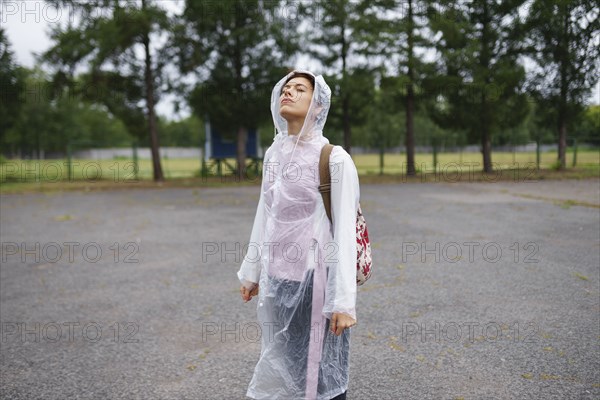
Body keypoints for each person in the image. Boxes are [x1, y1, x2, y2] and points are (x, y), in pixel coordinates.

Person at [237, 69, 360, 400]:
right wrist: (252, 272)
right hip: (279, 279)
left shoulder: (334, 159)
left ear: (318, 106)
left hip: (317, 281)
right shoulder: (273, 155)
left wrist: (343, 302)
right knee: (285, 365)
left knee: (320, 371)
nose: (287, 93)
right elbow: (266, 213)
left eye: (300, 89)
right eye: (285, 89)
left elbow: (345, 230)